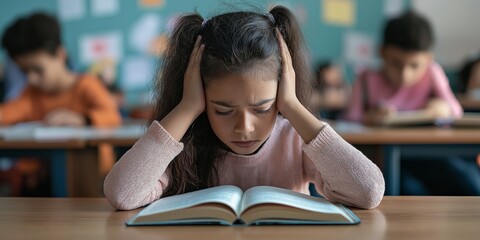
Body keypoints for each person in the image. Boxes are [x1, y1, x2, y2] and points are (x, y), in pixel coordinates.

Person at [104, 6, 385, 210]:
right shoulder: (184, 144)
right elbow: (122, 194)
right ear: (201, 98)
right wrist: (186, 108)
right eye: (223, 110)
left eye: (263, 108)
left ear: (280, 92)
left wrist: (293, 107)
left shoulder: (294, 139)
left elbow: (368, 191)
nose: (244, 127)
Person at [0, 12, 121, 127]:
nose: (30, 78)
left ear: (60, 55)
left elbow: (113, 117)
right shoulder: (31, 94)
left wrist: (82, 119)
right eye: (24, 71)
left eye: (37, 69)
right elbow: (7, 113)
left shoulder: (87, 85)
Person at [342, 11, 462, 125]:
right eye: (396, 64)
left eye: (414, 66)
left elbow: (457, 112)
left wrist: (444, 108)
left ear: (428, 59)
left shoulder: (432, 73)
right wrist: (368, 118)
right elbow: (350, 120)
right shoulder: (365, 78)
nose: (405, 75)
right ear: (382, 52)